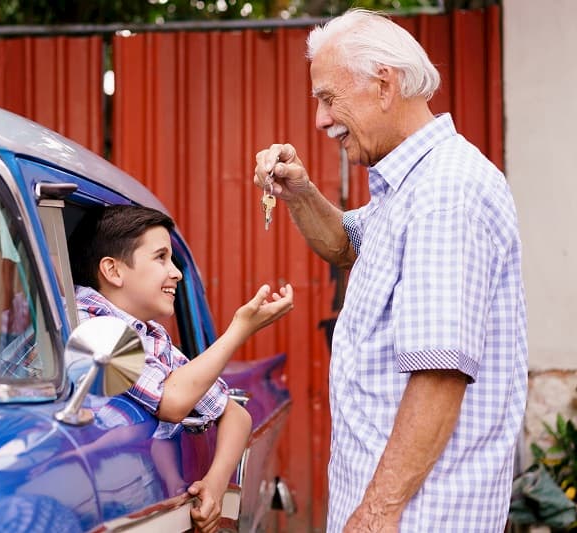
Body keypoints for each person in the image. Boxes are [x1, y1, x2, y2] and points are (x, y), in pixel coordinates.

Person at [253, 9, 527, 533]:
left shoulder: (445, 193)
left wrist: (376, 513)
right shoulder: (410, 186)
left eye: (328, 99)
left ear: (384, 84)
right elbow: (345, 247)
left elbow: (439, 373)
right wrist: (299, 191)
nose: (320, 120)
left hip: (416, 518)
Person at [67, 204, 294, 533]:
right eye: (160, 257)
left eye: (173, 259)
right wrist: (240, 330)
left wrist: (214, 487)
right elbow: (171, 403)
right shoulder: (82, 316)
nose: (175, 272)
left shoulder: (151, 336)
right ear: (113, 271)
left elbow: (237, 415)